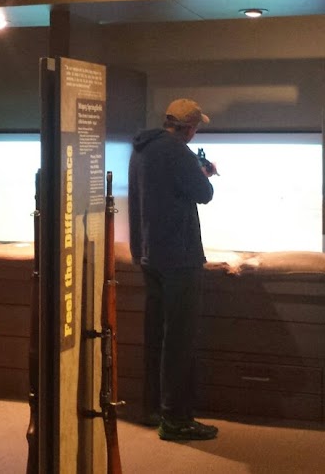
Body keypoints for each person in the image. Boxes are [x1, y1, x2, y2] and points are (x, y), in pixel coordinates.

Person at [128, 98, 219, 441]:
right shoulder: (178, 152)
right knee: (180, 339)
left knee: (156, 336)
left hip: (149, 255)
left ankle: (153, 408)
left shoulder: (142, 149)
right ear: (190, 128)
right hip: (179, 257)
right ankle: (176, 419)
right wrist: (204, 172)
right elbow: (204, 193)